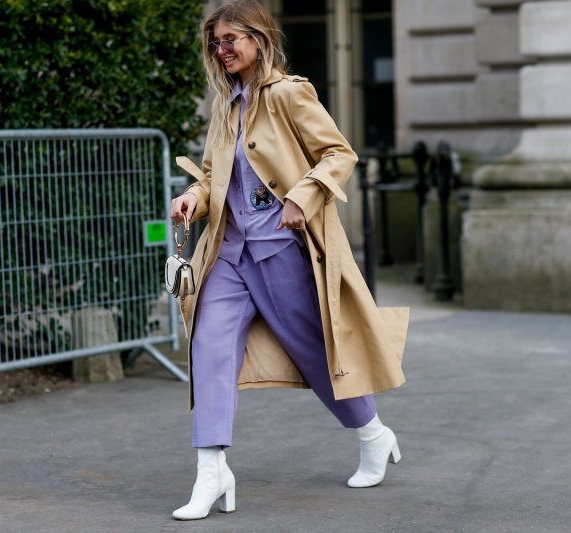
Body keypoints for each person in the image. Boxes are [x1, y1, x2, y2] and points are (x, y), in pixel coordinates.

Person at [169, 0, 409, 521]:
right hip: (229, 252)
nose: (222, 48)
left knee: (316, 351)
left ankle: (372, 432)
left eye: (231, 38)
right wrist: (195, 196)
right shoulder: (223, 104)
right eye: (216, 41)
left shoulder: (289, 93)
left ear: (259, 39)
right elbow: (214, 175)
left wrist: (303, 196)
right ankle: (211, 471)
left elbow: (339, 154)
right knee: (209, 348)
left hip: (282, 249)